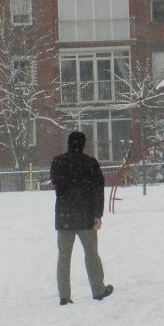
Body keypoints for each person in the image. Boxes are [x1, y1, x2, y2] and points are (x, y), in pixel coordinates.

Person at [50, 131, 113, 306]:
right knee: (91, 254)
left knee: (64, 257)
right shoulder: (91, 163)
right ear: (84, 145)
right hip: (86, 217)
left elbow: (56, 182)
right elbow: (98, 190)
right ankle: (98, 290)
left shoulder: (58, 162)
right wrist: (97, 215)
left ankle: (64, 295)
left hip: (64, 217)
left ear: (68, 144)